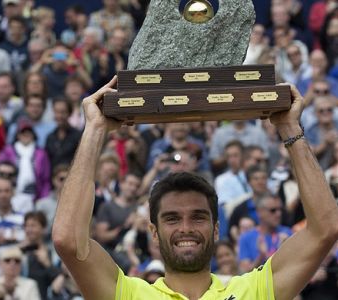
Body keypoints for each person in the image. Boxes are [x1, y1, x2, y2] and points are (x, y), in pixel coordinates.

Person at [52, 77, 338, 299]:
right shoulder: (128, 294)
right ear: (153, 231)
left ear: (216, 228)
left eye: (198, 216)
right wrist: (94, 130)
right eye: (172, 218)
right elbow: (68, 240)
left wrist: (290, 127)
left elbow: (324, 229)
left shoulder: (252, 291)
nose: (186, 227)